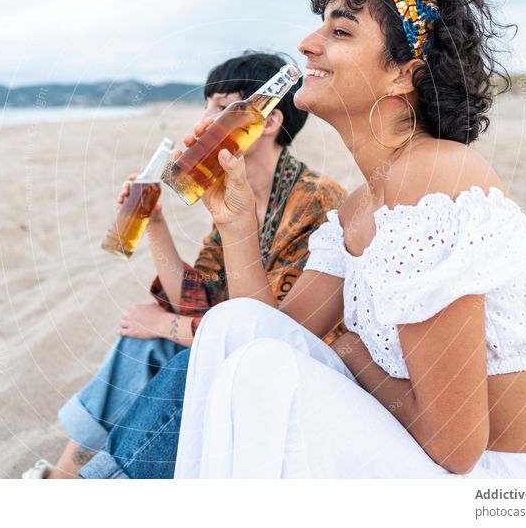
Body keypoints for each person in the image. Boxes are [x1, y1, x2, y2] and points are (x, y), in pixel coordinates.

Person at [168, 0, 526, 478]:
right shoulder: (360, 207)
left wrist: (351, 352)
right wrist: (234, 222)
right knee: (232, 326)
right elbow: (272, 330)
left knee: (261, 371)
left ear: (404, 74)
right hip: (438, 463)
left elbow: (456, 446)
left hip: (508, 485)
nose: (306, 43)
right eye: (320, 24)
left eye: (340, 30)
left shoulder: (432, 180)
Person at [23, 51, 346, 479]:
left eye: (221, 106)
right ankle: (62, 479)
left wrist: (166, 326)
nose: (204, 120)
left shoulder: (314, 200)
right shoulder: (237, 195)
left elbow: (275, 335)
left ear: (265, 121)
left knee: (169, 353)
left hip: (298, 371)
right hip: (242, 349)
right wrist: (154, 222)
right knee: (142, 343)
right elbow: (197, 299)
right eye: (206, 105)